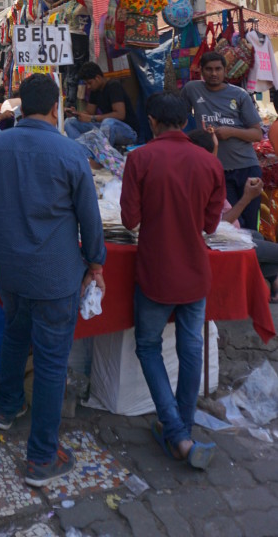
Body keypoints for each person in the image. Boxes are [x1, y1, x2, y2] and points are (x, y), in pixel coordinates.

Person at [0, 74, 106, 486]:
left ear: (22, 105)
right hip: (54, 274)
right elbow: (90, 219)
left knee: (14, 335)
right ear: (56, 107)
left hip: (10, 269)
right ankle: (42, 457)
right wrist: (95, 262)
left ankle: (7, 408)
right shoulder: (68, 152)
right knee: (49, 362)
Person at [121, 92, 226, 471]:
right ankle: (182, 428)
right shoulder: (209, 162)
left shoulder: (141, 158)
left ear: (152, 121)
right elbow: (210, 225)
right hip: (195, 270)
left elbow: (129, 219)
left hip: (156, 270)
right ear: (187, 121)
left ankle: (177, 433)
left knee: (148, 346)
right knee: (190, 349)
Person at [188, 129, 275, 298]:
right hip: (221, 241)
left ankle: (267, 286)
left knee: (257, 236)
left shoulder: (205, 173)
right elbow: (218, 225)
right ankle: (261, 288)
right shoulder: (205, 177)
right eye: (217, 148)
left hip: (229, 235)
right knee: (271, 251)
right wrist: (246, 198)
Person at [183, 51, 263, 229]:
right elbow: (180, 118)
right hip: (218, 171)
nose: (214, 73)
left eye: (218, 69)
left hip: (246, 167)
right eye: (209, 69)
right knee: (231, 227)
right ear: (201, 71)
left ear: (225, 70)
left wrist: (231, 132)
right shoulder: (192, 89)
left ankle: (255, 257)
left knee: (250, 226)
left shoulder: (240, 95)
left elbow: (257, 134)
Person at [65, 62, 139, 148]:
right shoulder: (94, 90)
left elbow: (120, 114)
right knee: (70, 122)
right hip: (105, 128)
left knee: (108, 123)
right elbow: (89, 112)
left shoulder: (113, 86)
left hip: (127, 132)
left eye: (90, 83)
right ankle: (83, 152)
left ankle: (104, 157)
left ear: (98, 78)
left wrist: (92, 118)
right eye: (86, 84)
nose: (88, 87)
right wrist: (76, 114)